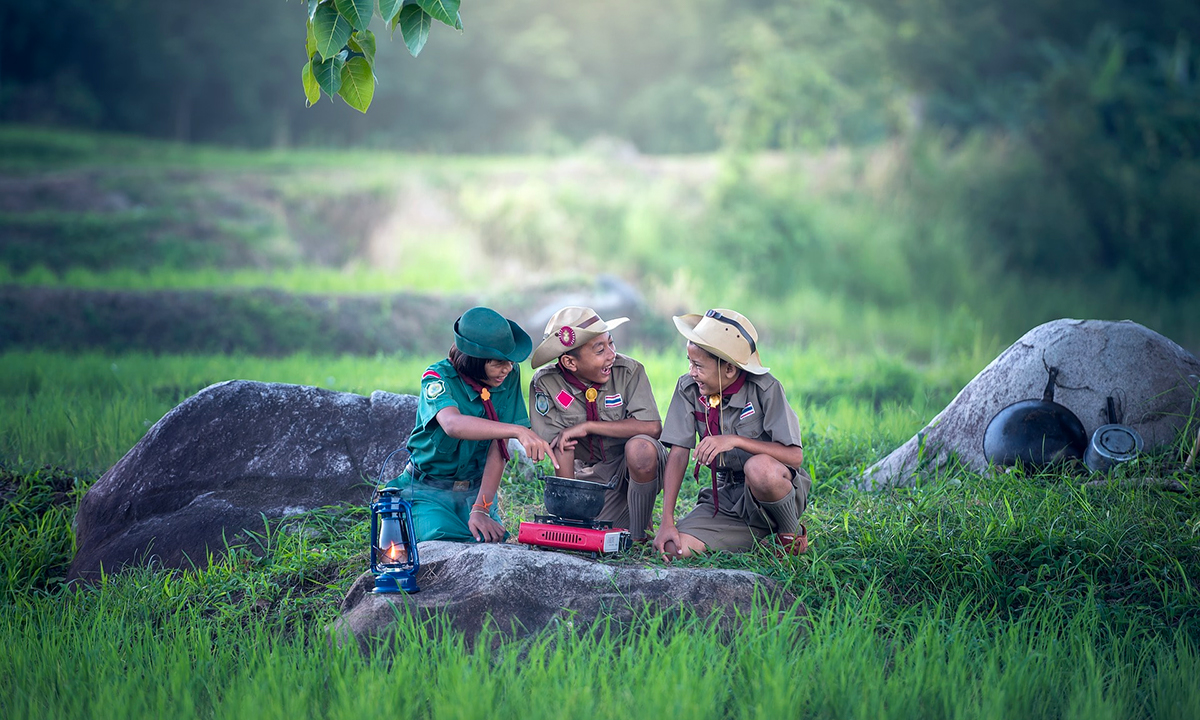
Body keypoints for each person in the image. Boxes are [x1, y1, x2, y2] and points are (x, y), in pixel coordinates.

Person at [386, 306, 558, 543]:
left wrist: (481, 509)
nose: (507, 368)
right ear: (474, 361)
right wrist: (518, 430)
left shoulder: (507, 375)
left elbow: (498, 450)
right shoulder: (437, 377)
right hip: (428, 492)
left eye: (510, 361)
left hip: (476, 493)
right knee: (442, 543)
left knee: (489, 546)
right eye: (498, 362)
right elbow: (453, 425)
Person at [652, 308, 810, 559]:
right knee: (673, 550)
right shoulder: (688, 388)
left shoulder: (765, 389)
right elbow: (679, 452)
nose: (692, 372)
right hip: (728, 500)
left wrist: (735, 441)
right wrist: (667, 521)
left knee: (759, 469)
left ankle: (788, 535)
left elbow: (794, 457)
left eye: (698, 365)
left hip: (773, 490)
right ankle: (756, 538)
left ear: (729, 369)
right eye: (689, 363)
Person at [528, 306, 667, 542]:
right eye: (600, 350)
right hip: (591, 475)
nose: (611, 354)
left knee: (641, 449)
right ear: (570, 362)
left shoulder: (628, 371)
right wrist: (568, 514)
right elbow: (560, 446)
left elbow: (652, 427)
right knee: (589, 529)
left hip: (630, 465)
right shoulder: (547, 384)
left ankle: (641, 532)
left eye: (611, 344)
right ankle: (623, 516)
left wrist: (589, 427)